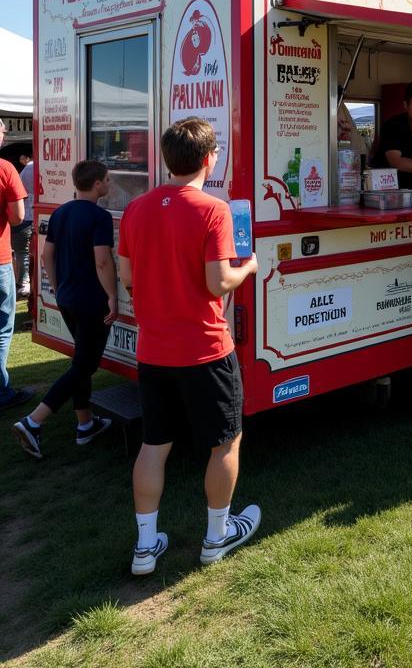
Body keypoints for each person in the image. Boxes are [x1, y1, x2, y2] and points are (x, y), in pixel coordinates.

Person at [118, 118, 260, 575]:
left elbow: (126, 278)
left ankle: (145, 546)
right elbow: (218, 282)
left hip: (153, 350)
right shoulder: (213, 210)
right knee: (225, 443)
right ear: (208, 159)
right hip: (205, 350)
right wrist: (249, 267)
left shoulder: (136, 209)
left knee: (154, 445)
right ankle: (217, 537)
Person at [11, 160, 118, 458]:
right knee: (85, 366)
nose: (110, 184)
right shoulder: (99, 217)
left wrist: (57, 288)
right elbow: (102, 261)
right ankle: (34, 422)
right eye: (108, 179)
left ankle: (86, 424)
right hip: (91, 301)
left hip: (68, 298)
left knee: (81, 361)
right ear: (97, 184)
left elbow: (47, 255)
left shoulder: (61, 212)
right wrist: (112, 296)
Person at [0, 118, 32, 412]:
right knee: (1, 327)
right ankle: (1, 392)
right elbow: (17, 217)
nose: (6, 134)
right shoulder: (5, 168)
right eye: (3, 130)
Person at [13, 152, 33, 298]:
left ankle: (23, 282)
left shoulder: (26, 170)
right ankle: (25, 282)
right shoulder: (34, 168)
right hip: (28, 216)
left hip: (23, 217)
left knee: (21, 251)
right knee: (24, 252)